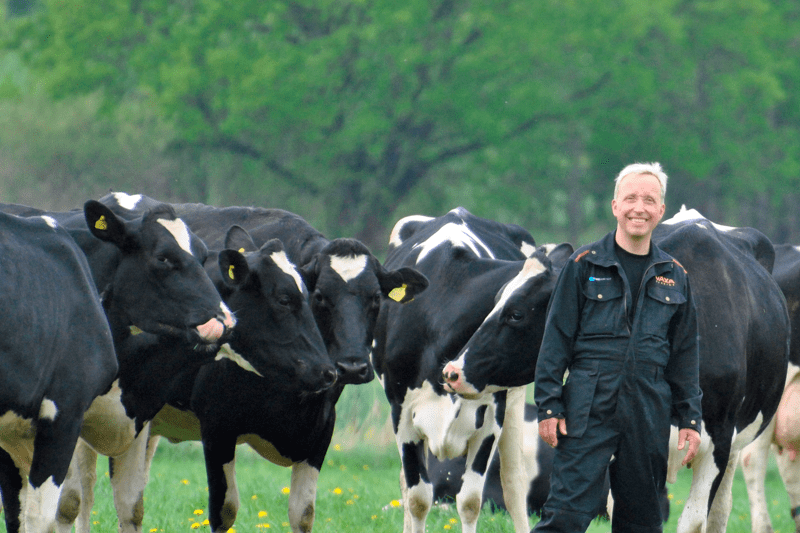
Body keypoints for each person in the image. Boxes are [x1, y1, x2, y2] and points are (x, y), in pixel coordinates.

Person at [532, 162, 702, 533]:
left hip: (648, 409)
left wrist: (690, 419)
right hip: (587, 406)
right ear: (614, 206)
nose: (638, 207)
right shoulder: (583, 264)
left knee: (642, 522)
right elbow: (555, 340)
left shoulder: (676, 276)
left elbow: (685, 358)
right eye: (630, 198)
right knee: (565, 516)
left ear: (661, 211)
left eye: (649, 200)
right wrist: (548, 404)